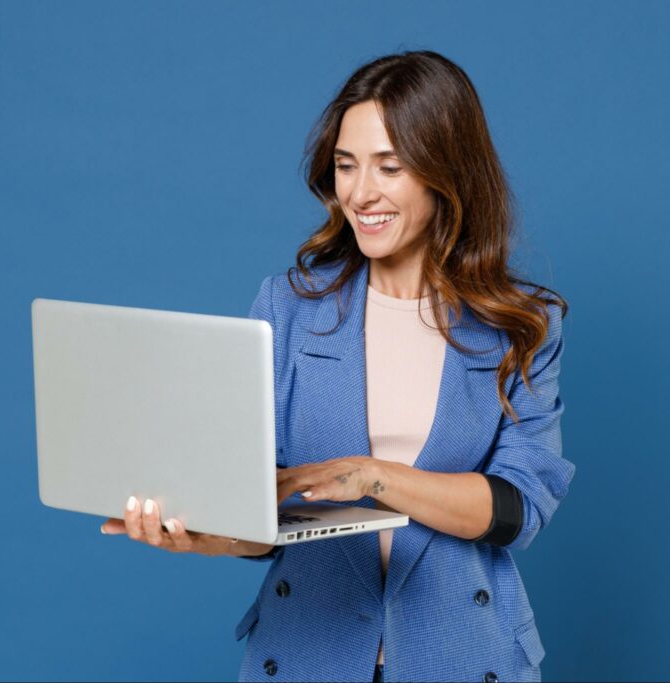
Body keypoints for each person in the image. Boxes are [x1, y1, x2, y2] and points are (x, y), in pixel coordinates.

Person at [100, 50, 575, 683]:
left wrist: (371, 477)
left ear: (446, 173)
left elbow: (517, 508)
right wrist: (204, 535)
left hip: (461, 653)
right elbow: (260, 507)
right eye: (346, 166)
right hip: (307, 654)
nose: (360, 193)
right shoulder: (289, 307)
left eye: (390, 166)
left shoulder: (522, 322)